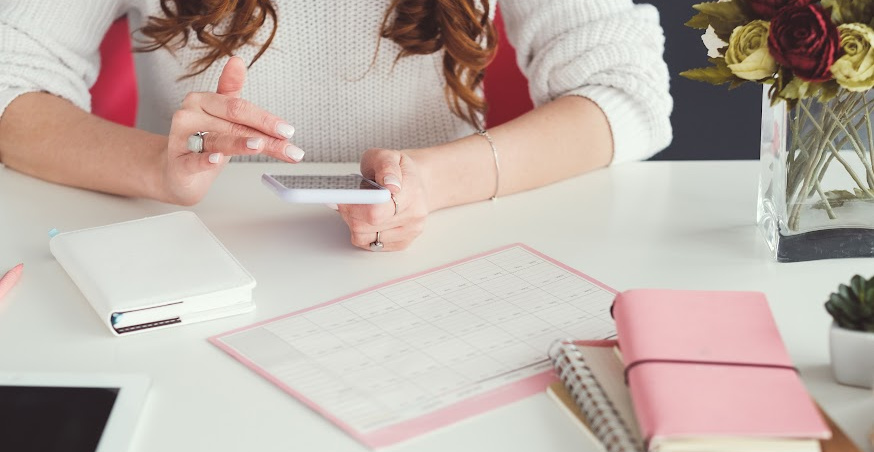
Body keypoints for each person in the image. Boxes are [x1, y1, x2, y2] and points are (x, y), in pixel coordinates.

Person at [0, 0, 672, 251]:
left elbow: (627, 93)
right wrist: (155, 166)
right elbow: (10, 77)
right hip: (193, 252)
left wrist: (434, 180)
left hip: (437, 249)